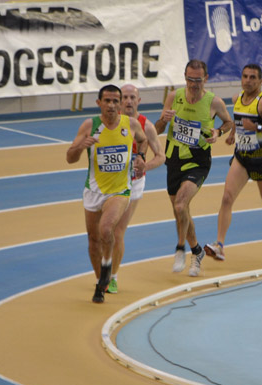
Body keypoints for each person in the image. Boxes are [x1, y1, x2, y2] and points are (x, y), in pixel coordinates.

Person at [203, 63, 262, 262]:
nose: (248, 80)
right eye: (245, 76)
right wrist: (233, 135)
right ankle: (219, 245)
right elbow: (239, 121)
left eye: (253, 77)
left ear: (260, 81)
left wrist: (258, 127)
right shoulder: (237, 99)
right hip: (242, 157)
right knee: (227, 198)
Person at [66, 84, 147, 304]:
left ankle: (108, 266)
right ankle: (100, 282)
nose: (111, 105)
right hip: (94, 191)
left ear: (120, 103)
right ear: (99, 103)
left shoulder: (129, 124)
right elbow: (70, 158)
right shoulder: (89, 125)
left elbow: (143, 139)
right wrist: (81, 146)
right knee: (93, 240)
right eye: (107, 101)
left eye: (115, 101)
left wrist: (140, 156)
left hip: (120, 191)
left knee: (106, 228)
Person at [154, 59, 233, 277]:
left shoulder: (214, 102)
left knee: (180, 205)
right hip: (174, 158)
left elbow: (228, 123)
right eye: (189, 79)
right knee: (181, 212)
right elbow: (156, 130)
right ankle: (196, 251)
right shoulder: (173, 97)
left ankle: (180, 249)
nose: (193, 84)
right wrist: (162, 119)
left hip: (198, 161)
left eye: (198, 80)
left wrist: (218, 132)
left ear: (206, 79)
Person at [107, 84, 166, 294]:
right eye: (125, 97)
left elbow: (161, 156)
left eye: (133, 97)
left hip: (133, 183)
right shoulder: (110, 123)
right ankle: (106, 268)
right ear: (119, 101)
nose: (129, 101)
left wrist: (145, 166)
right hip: (110, 181)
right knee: (103, 231)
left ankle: (112, 277)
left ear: (139, 101)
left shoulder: (146, 126)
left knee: (118, 231)